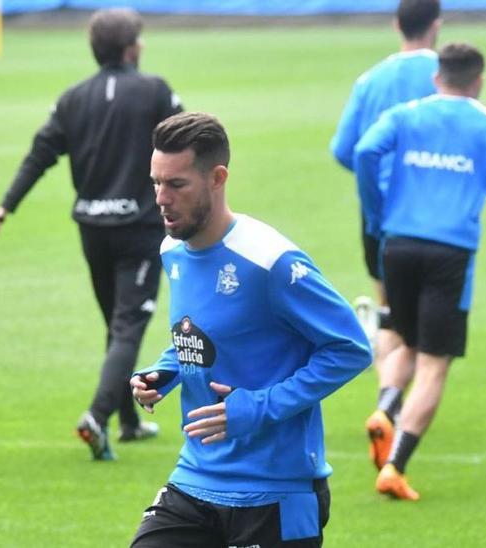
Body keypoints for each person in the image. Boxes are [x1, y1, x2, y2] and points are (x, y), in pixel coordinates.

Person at [130, 112, 372, 547]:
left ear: (217, 178)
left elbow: (350, 349)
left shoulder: (271, 261)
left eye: (176, 185)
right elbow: (209, 333)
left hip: (277, 490)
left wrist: (258, 408)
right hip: (197, 476)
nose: (161, 198)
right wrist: (166, 371)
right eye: (155, 183)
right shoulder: (173, 251)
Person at [0, 8, 182, 460]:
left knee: (116, 326)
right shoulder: (155, 91)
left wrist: (0, 213)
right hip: (137, 229)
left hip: (92, 230)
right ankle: (97, 415)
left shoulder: (72, 99)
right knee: (127, 327)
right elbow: (186, 147)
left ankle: (127, 422)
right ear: (130, 48)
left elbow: (38, 156)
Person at [354, 42, 486, 500]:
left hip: (398, 244)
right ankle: (395, 465)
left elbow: (365, 151)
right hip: (449, 254)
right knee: (434, 363)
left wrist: (377, 211)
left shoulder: (405, 115)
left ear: (438, 77)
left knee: (406, 339)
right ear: (479, 82)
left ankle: (385, 409)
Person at [328, 0, 441, 468]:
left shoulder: (370, 80)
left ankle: (386, 399)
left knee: (392, 311)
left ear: (397, 24)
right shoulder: (447, 76)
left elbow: (343, 149)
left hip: (379, 218)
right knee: (427, 329)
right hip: (434, 219)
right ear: (436, 25)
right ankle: (393, 406)